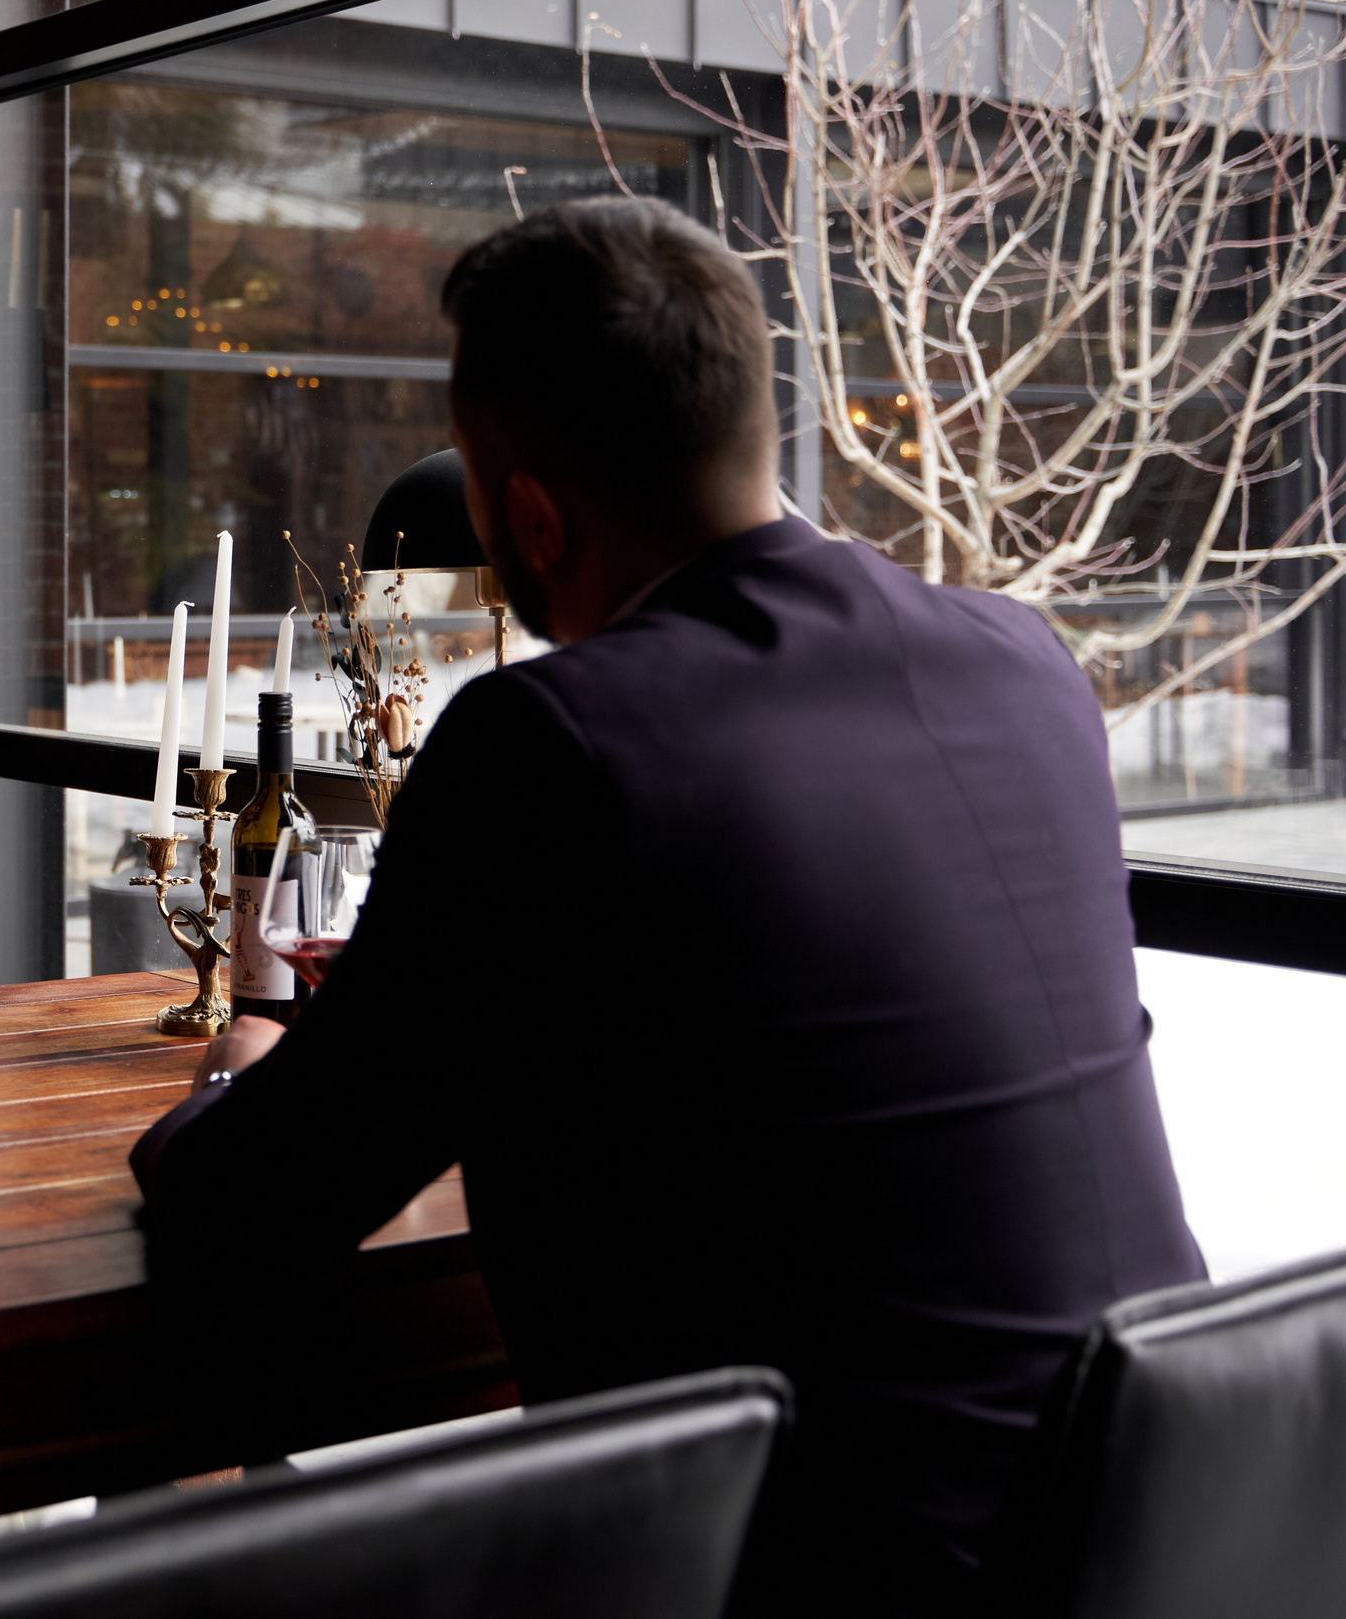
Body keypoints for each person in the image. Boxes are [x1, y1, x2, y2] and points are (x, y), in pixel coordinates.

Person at [129, 196, 1204, 1616]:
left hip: (805, 1573)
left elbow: (257, 1208)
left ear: (528, 514)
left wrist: (244, 1060)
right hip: (1166, 1539)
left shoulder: (550, 742)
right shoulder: (1025, 662)